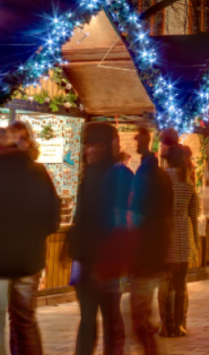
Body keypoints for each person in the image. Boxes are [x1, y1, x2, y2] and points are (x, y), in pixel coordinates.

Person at [0, 127, 61, 355]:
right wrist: (36, 235)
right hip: (28, 258)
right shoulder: (38, 173)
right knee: (25, 321)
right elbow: (53, 217)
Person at [69, 122, 125, 355]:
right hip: (89, 258)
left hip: (104, 258)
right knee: (94, 317)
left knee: (108, 317)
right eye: (86, 145)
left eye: (93, 145)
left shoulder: (113, 175)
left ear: (105, 146)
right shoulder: (92, 175)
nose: (87, 150)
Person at [129, 126, 173, 354]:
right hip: (157, 252)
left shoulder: (146, 175)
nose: (135, 144)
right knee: (142, 315)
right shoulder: (162, 175)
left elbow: (138, 212)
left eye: (138, 141)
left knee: (139, 317)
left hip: (146, 253)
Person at [159, 146, 200, 337]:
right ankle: (179, 324)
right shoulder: (188, 181)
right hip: (185, 235)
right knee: (181, 284)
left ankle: (166, 325)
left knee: (165, 283)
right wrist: (195, 242)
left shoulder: (163, 178)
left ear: (168, 160)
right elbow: (194, 214)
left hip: (167, 235)